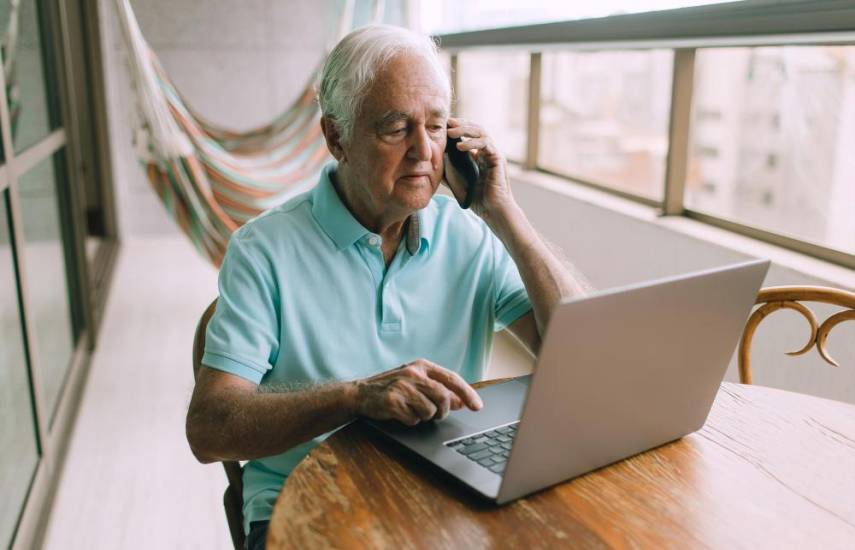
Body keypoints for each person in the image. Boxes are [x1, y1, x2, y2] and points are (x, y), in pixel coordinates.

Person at [186, 24, 589, 550]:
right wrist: (356, 396)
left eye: (437, 125)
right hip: (308, 503)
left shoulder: (469, 233)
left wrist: (505, 215)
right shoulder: (263, 250)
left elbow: (582, 357)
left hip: (443, 490)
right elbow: (211, 428)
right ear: (337, 139)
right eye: (396, 127)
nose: (424, 151)